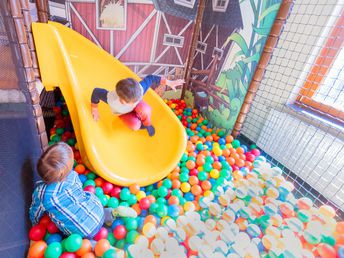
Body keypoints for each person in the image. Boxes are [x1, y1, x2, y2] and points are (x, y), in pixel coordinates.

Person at [29, 142, 136, 238]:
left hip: (83, 231)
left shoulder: (41, 194)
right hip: (97, 209)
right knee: (87, 202)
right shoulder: (72, 176)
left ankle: (94, 246)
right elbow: (79, 189)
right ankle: (112, 213)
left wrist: (35, 223)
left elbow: (35, 211)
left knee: (75, 237)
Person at [90, 75, 184, 136]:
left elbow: (151, 78)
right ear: (122, 100)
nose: (136, 101)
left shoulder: (139, 89)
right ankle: (140, 125)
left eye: (137, 99)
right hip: (122, 112)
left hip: (136, 107)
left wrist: (169, 82)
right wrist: (94, 109)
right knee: (135, 126)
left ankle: (147, 124)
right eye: (133, 102)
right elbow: (96, 92)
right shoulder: (112, 100)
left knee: (145, 109)